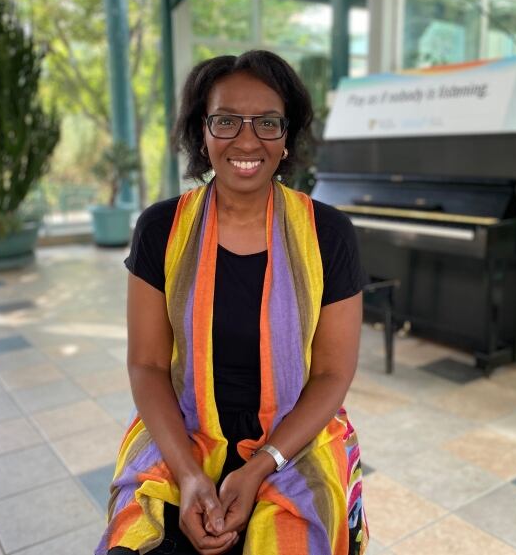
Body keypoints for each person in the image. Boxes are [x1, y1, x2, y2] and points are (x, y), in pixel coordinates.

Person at [97, 50, 369, 555]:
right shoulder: (160, 229)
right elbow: (148, 365)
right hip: (183, 433)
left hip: (295, 443)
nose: (247, 140)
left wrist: (263, 463)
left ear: (287, 137)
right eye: (226, 121)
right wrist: (190, 476)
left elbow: (333, 374)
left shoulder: (329, 235)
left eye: (267, 122)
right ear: (203, 131)